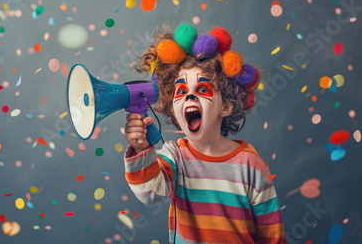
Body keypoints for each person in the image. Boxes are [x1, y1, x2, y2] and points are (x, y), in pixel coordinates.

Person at [123, 22, 287, 243]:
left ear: (226, 106)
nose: (190, 97)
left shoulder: (252, 165)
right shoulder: (174, 156)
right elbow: (149, 193)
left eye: (202, 89)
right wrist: (142, 148)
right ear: (173, 109)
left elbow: (272, 236)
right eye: (181, 91)